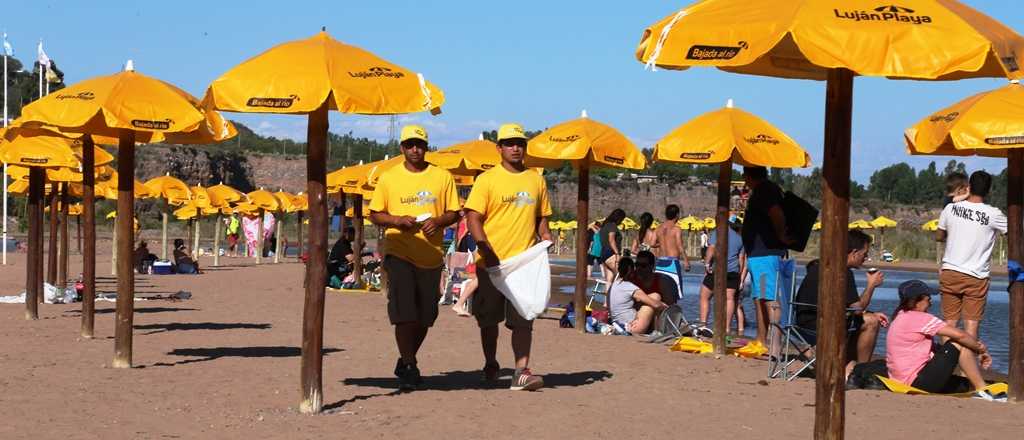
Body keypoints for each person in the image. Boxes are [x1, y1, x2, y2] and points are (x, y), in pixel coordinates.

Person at [368, 124, 460, 390]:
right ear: (402, 148)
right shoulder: (389, 177)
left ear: (426, 147)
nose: (415, 149)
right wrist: (396, 219)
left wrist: (438, 221)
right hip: (399, 251)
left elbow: (454, 212)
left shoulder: (442, 177)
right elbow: (375, 213)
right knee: (404, 312)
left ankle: (406, 358)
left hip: (430, 254)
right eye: (409, 145)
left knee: (426, 316)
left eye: (419, 145)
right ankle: (409, 364)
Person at [465, 123, 552, 391]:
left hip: (524, 264)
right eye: (510, 143)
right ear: (499, 148)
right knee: (489, 321)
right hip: (491, 263)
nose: (516, 147)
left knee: (524, 318)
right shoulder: (487, 179)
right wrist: (485, 249)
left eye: (520, 143)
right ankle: (491, 362)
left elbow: (542, 220)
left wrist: (547, 238)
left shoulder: (536, 179)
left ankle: (520, 371)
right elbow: (473, 218)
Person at [886, 280, 1004, 401]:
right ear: (915, 301)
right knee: (959, 342)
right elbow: (960, 335)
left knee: (963, 383)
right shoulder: (918, 317)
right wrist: (981, 350)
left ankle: (976, 386)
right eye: (928, 299)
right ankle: (982, 390)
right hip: (916, 382)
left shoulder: (900, 316)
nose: (930, 303)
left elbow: (925, 349)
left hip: (902, 380)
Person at [794, 230, 888, 364]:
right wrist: (871, 285)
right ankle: (860, 370)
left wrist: (868, 312)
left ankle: (846, 365)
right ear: (854, 253)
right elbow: (857, 309)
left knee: (864, 318)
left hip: (801, 325)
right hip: (820, 327)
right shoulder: (843, 271)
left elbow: (840, 305)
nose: (865, 258)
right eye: (864, 254)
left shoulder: (820, 265)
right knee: (871, 322)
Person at [937, 171, 1006, 339]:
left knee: (949, 324)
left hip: (950, 271)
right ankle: (967, 363)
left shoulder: (950, 208)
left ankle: (946, 364)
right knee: (971, 326)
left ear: (968, 187)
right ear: (989, 190)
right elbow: (1015, 232)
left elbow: (939, 236)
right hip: (976, 276)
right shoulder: (994, 213)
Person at [741, 166, 792, 348]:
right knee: (760, 297)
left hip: (764, 255)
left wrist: (780, 235)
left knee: (768, 297)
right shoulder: (765, 190)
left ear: (749, 175)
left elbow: (776, 213)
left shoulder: (765, 190)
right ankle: (761, 340)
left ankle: (775, 346)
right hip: (759, 255)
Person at [698, 217, 747, 336]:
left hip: (717, 270)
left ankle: (703, 324)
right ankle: (726, 327)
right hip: (733, 272)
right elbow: (741, 259)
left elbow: (711, 249)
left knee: (704, 296)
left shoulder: (717, 233)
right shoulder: (740, 238)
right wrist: (739, 275)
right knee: (729, 299)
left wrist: (707, 263)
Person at [608, 256, 668, 335]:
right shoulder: (630, 287)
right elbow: (656, 305)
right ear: (630, 270)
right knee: (656, 297)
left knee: (652, 297)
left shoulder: (613, 285)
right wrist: (668, 308)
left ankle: (656, 329)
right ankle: (657, 330)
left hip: (617, 324)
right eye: (636, 266)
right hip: (633, 327)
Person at [653, 204, 690, 295]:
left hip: (660, 262)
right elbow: (679, 245)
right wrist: (686, 261)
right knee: (673, 292)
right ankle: (670, 308)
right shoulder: (676, 229)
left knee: (660, 292)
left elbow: (652, 243)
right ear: (677, 215)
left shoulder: (658, 228)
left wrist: (661, 243)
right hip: (672, 263)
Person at [598, 209, 626, 287]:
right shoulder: (612, 226)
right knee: (622, 276)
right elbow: (611, 240)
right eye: (622, 219)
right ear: (618, 218)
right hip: (611, 253)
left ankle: (607, 299)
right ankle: (619, 297)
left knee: (609, 280)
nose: (621, 221)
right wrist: (617, 253)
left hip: (603, 254)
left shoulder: (604, 226)